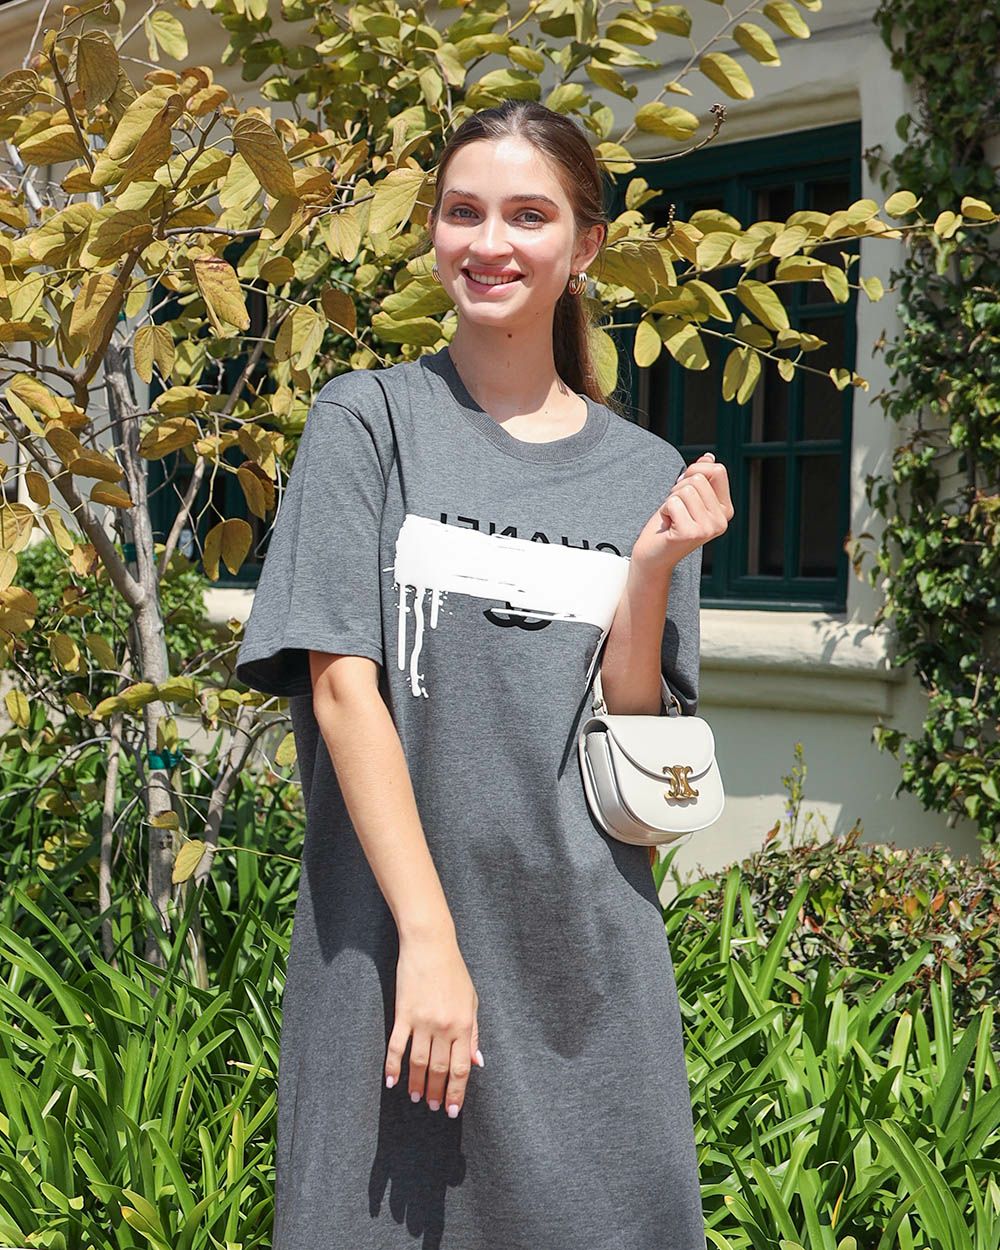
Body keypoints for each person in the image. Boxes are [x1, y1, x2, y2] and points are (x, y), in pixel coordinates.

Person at [235, 98, 733, 1250]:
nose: (489, 241)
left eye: (527, 215)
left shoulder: (644, 470)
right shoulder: (369, 421)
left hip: (587, 968)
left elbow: (632, 736)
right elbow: (342, 688)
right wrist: (430, 938)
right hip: (393, 956)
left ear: (585, 244)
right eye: (463, 212)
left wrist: (649, 570)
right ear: (433, 233)